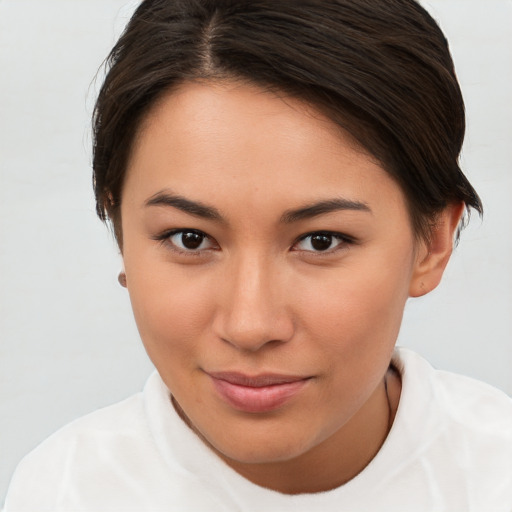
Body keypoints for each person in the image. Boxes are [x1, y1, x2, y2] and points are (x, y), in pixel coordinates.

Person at [4, 0, 512, 510]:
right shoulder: (63, 491)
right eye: (190, 238)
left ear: (433, 243)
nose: (250, 326)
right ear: (122, 235)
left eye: (321, 241)